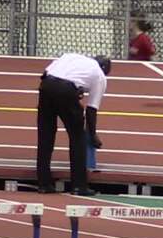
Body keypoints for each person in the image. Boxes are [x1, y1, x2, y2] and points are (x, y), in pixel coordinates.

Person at [36, 54, 110, 196]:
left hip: (46, 85)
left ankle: (44, 184)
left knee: (45, 136)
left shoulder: (71, 57)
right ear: (104, 68)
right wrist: (92, 135)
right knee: (77, 138)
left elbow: (46, 72)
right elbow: (91, 110)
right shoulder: (100, 75)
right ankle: (79, 185)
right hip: (66, 89)